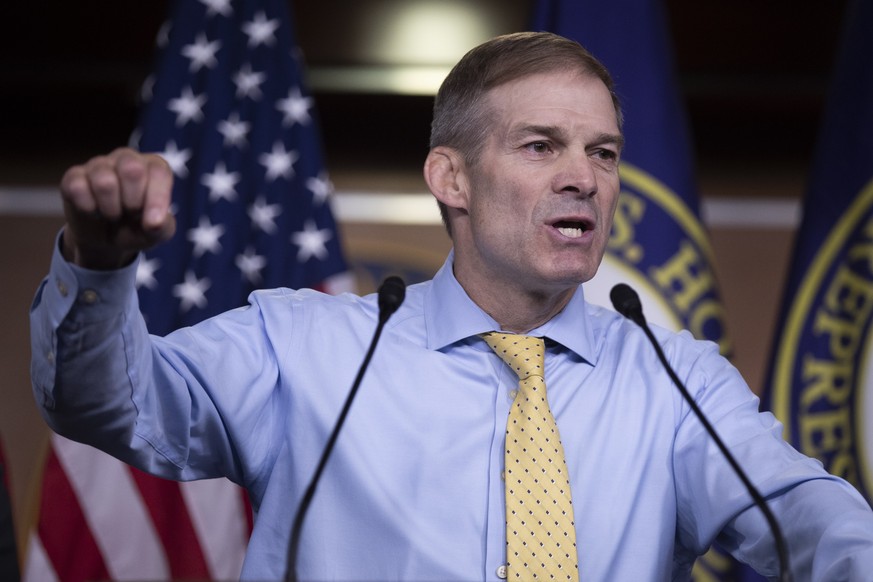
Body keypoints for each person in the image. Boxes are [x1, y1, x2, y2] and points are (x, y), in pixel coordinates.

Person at [30, 31, 873, 581]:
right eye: (540, 146)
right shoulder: (308, 347)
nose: (584, 176)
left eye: (603, 152)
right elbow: (106, 402)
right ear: (451, 179)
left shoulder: (674, 379)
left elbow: (807, 515)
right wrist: (98, 266)